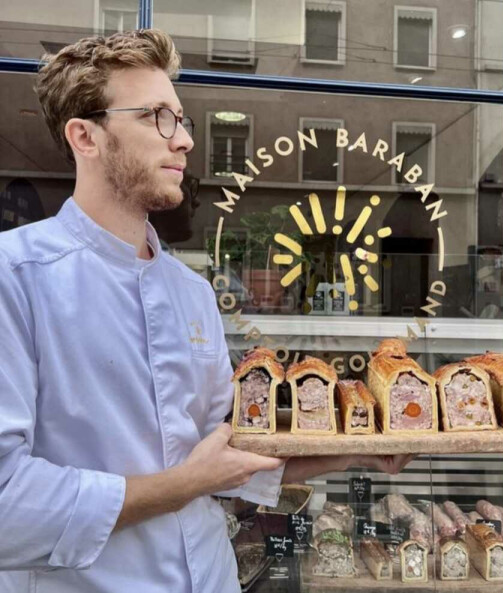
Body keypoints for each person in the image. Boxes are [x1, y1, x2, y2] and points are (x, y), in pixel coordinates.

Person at [0, 30, 412, 593]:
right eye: (156, 117)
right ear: (85, 137)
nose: (185, 141)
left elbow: (230, 454)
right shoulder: (15, 277)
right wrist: (183, 484)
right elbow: (6, 504)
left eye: (182, 119)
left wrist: (355, 450)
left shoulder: (191, 291)